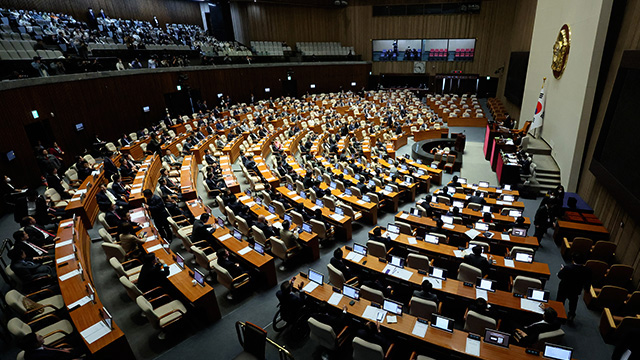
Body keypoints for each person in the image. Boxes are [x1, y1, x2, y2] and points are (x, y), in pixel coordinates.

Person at [556, 253, 592, 322]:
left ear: (573, 259)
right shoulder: (588, 270)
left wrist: (561, 270)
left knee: (560, 301)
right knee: (573, 303)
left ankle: (558, 314)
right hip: (576, 290)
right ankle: (571, 315)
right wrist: (587, 289)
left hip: (564, 288)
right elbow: (588, 281)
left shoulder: (567, 268)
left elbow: (560, 276)